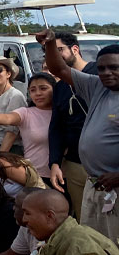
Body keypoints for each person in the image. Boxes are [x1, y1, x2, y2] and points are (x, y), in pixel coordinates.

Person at [38, 30, 119, 240]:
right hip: (96, 186)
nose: (106, 73)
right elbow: (59, 68)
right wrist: (49, 44)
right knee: (96, 243)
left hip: (115, 188)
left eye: (114, 67)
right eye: (101, 68)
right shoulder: (98, 86)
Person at [47, 31, 98, 219]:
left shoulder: (99, 76)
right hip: (75, 164)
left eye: (59, 49)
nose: (55, 55)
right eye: (51, 52)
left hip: (105, 165)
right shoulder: (60, 88)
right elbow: (56, 127)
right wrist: (54, 162)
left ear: (75, 49)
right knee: (84, 219)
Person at [0, 73, 56, 185]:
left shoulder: (62, 113)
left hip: (63, 173)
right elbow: (9, 118)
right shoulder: (26, 113)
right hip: (35, 176)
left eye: (43, 88)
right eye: (33, 90)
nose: (38, 93)